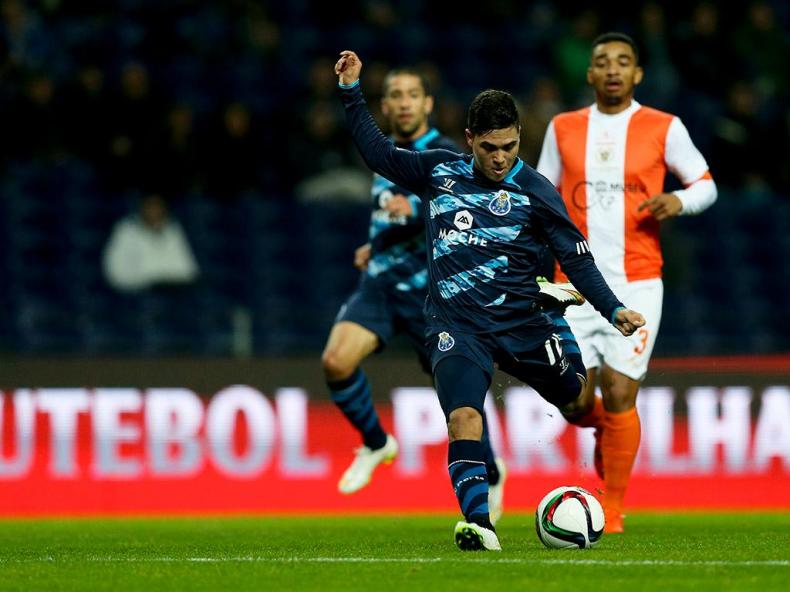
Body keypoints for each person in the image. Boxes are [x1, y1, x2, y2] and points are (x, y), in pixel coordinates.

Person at [334, 50, 645, 551]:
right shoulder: (438, 172)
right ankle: (480, 524)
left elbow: (578, 259)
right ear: (470, 140)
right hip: (457, 325)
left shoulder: (536, 191)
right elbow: (378, 153)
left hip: (526, 322)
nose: (501, 158)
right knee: (463, 416)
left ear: (519, 138)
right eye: (490, 148)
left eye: (510, 146)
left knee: (576, 398)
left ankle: (597, 418)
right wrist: (351, 92)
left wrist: (613, 309)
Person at [537, 32, 717, 533]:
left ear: (637, 73)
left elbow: (705, 184)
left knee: (620, 392)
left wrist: (679, 201)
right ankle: (604, 428)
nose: (612, 69)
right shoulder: (563, 127)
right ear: (589, 73)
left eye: (623, 62)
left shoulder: (665, 126)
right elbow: (540, 192)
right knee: (572, 399)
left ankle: (612, 509)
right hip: (572, 285)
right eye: (602, 61)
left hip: (637, 281)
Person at [321, 67, 510, 522]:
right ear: (385, 106)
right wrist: (376, 244)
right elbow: (388, 216)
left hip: (433, 295)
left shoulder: (446, 153)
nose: (404, 102)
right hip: (381, 286)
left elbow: (467, 211)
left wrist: (415, 207)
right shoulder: (384, 152)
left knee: (458, 403)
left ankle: (490, 471)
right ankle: (376, 443)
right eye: (396, 95)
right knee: (336, 362)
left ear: (427, 104)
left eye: (412, 94)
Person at [103, 193, 200, 292]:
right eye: (150, 206)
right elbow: (115, 274)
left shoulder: (173, 229)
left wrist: (168, 281)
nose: (154, 211)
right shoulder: (126, 230)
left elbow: (188, 270)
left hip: (172, 291)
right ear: (142, 208)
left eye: (158, 206)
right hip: (137, 293)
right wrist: (149, 281)